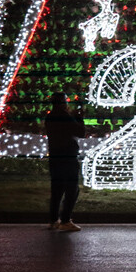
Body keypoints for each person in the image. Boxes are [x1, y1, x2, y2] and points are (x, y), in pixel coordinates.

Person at [45, 92, 86, 231]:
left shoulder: (50, 117)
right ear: (63, 103)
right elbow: (81, 132)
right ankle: (65, 220)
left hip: (55, 157)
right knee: (72, 189)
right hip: (68, 157)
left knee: (56, 189)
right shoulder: (65, 117)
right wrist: (79, 118)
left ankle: (53, 220)